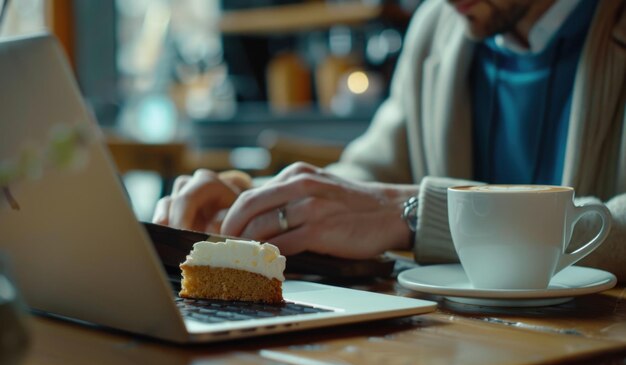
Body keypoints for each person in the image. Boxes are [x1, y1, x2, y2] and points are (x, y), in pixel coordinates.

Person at [153, 0, 626, 279]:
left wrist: (420, 215)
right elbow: (368, 178)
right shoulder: (439, 29)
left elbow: (387, 205)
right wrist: (262, 205)